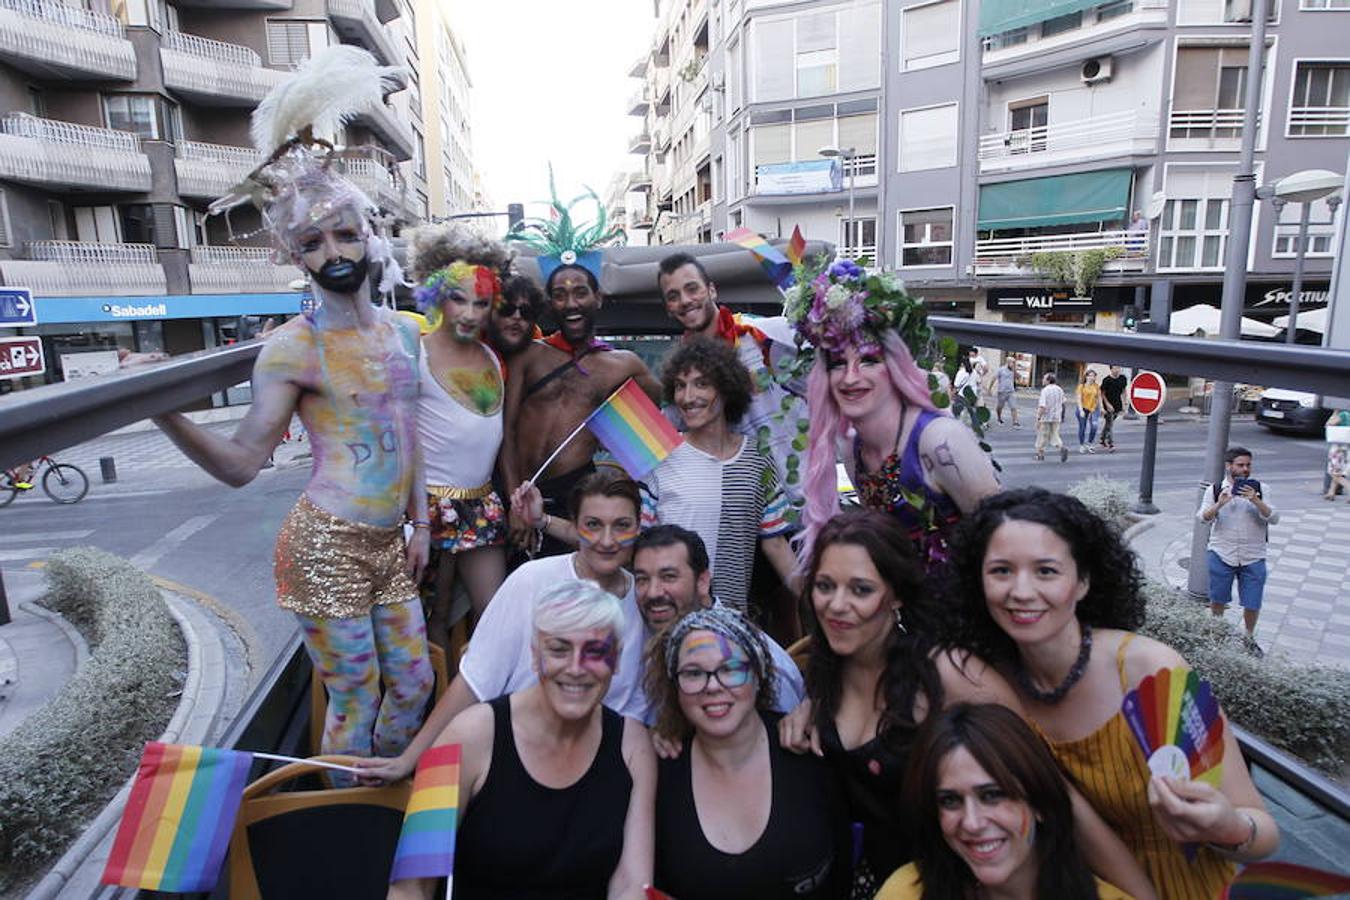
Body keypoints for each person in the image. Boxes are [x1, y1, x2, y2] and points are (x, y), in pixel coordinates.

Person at [153, 47, 432, 774]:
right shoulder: (291, 349)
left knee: (414, 684)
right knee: (357, 699)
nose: (334, 250)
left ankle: (384, 800)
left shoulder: (405, 331)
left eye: (344, 232)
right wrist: (166, 411)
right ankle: (345, 824)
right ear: (295, 255)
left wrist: (423, 522)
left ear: (370, 231)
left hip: (390, 542)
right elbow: (243, 464)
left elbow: (409, 433)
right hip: (325, 544)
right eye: (312, 240)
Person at [779, 509, 1152, 898]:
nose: (837, 605)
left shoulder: (947, 673)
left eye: (861, 589)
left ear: (897, 596)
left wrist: (1139, 894)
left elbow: (1051, 791)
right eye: (825, 586)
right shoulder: (824, 672)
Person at [949, 488, 1279, 899]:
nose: (1021, 591)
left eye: (1046, 571)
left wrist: (1226, 826)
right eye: (1000, 571)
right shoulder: (991, 685)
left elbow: (1262, 833)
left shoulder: (1150, 673)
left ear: (1084, 580)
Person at [356, 469, 648, 784]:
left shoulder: (646, 603)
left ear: (637, 529)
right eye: (593, 525)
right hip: (516, 758)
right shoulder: (531, 581)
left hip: (601, 772)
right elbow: (473, 682)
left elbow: (639, 713)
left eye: (621, 526)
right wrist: (409, 760)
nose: (607, 540)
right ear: (576, 526)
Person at [388, 580, 655, 900]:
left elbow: (632, 886)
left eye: (596, 651)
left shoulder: (633, 747)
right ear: (533, 654)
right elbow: (410, 887)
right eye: (558, 649)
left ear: (617, 659)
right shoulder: (461, 737)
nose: (576, 668)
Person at [786, 259, 1000, 571]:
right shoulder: (852, 448)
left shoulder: (939, 441)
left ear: (895, 367)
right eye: (836, 364)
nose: (850, 377)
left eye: (868, 361)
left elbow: (1005, 543)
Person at [647, 606, 848, 899]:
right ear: (674, 686)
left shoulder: (810, 748)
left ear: (758, 674)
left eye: (730, 669)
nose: (713, 686)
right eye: (693, 673)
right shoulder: (659, 773)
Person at [502, 187, 661, 556]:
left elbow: (658, 428)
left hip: (575, 497)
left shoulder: (624, 365)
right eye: (559, 294)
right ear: (550, 303)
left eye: (580, 292)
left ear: (598, 298)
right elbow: (506, 432)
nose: (570, 302)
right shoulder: (528, 354)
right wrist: (515, 504)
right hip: (515, 491)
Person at [878, 703, 1131, 900]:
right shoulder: (907, 892)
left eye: (991, 795)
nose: (973, 823)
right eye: (950, 800)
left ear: (1039, 802)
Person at [406, 224, 513, 641]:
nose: (469, 313)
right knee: (418, 632)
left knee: (495, 620)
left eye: (481, 303)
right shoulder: (412, 352)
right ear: (435, 295)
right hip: (423, 510)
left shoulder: (492, 356)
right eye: (458, 299)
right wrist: (417, 522)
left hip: (481, 505)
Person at [658, 251, 807, 511]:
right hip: (743, 509)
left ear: (712, 290)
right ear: (668, 308)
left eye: (692, 289)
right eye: (673, 296)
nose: (684, 301)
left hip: (803, 496)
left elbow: (828, 367)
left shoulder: (762, 333)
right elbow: (663, 430)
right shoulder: (682, 374)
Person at [632, 525, 804, 713]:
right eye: (642, 579)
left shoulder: (754, 656)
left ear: (702, 582)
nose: (653, 592)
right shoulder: (644, 638)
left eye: (669, 577)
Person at [1198, 447, 1278, 646]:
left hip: (1254, 555)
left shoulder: (1261, 489)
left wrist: (1256, 500)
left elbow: (1274, 518)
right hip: (1221, 552)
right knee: (1218, 599)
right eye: (1240, 465)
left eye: (1248, 465)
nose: (1245, 469)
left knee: (1253, 602)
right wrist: (1220, 504)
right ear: (1229, 466)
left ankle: (1248, 639)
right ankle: (1216, 636)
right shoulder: (1215, 490)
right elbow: (1202, 518)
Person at [486, 273, 544, 369]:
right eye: (507, 309)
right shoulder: (469, 348)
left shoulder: (541, 357)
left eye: (526, 312)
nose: (517, 316)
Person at [1035, 373, 1068, 463]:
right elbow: (1063, 402)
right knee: (1054, 434)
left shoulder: (1045, 390)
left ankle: (1040, 454)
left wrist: (1038, 418)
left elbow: (1042, 406)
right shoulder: (1059, 389)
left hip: (1046, 417)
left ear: (1048, 380)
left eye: (1044, 378)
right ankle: (1061, 447)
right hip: (1056, 417)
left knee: (1042, 435)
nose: (1042, 380)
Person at [1100, 365, 1128, 452]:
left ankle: (1102, 439)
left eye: (1118, 368)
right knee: (1110, 424)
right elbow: (1102, 393)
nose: (1117, 370)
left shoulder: (1123, 378)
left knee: (1108, 424)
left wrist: (1124, 402)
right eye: (1115, 368)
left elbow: (1123, 391)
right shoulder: (1106, 380)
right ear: (1111, 369)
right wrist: (1107, 405)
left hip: (1117, 404)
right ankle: (1111, 444)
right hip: (1108, 405)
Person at [1075, 369, 1102, 454]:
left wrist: (1101, 408)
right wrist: (1081, 410)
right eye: (1090, 375)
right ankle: (1082, 445)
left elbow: (1098, 398)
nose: (1091, 377)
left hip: (1093, 409)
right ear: (1086, 376)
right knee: (1082, 427)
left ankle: (1090, 443)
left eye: (1093, 376)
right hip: (1083, 408)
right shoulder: (1081, 386)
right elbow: (1078, 399)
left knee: (1094, 426)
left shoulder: (1096, 386)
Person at [995, 360, 1020, 428]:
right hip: (1002, 391)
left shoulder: (1013, 370)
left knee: (1013, 407)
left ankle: (1015, 422)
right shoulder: (1001, 370)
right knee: (1000, 407)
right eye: (1012, 362)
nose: (1013, 364)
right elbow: (994, 378)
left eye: (1014, 363)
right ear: (1008, 362)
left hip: (1011, 391)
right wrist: (989, 389)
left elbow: (1018, 377)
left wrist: (1014, 370)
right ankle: (999, 418)